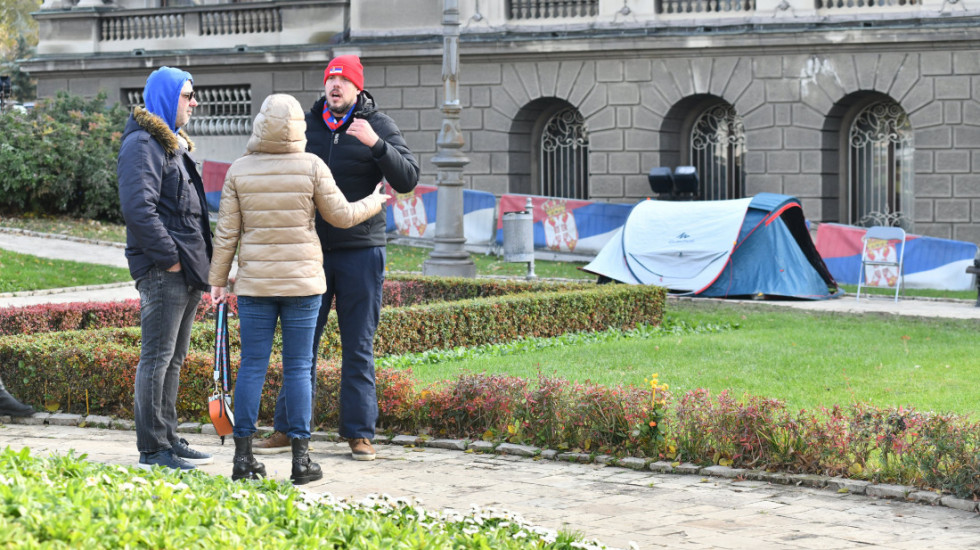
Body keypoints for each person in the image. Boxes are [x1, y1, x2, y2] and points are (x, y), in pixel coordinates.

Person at [208, 94, 389, 484]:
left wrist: (218, 282)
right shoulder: (312, 166)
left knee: (252, 365)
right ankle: (301, 461)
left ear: (259, 125)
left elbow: (226, 233)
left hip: (255, 283)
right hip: (304, 284)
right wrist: (374, 203)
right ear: (299, 130)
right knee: (297, 366)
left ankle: (242, 459)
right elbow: (341, 216)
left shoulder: (239, 170)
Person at [253, 55, 420, 460]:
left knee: (357, 345)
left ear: (358, 88)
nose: (336, 85)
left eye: (344, 80)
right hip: (309, 251)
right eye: (331, 79)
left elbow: (408, 179)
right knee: (300, 344)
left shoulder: (377, 125)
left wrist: (376, 146)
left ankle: (360, 434)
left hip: (361, 252)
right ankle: (288, 429)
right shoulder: (306, 125)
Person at [117, 66, 214, 471]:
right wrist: (169, 258)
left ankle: (169, 438)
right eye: (188, 95)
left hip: (186, 269)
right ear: (167, 97)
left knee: (173, 358)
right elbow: (139, 209)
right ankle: (153, 448)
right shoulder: (143, 144)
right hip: (166, 270)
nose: (195, 102)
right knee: (156, 358)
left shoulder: (172, 144)